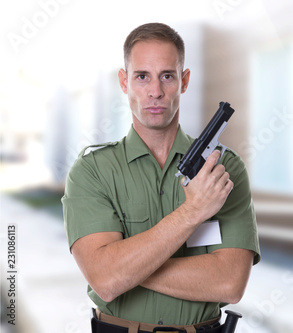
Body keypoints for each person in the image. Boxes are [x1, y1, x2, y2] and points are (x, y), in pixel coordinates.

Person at [62, 22, 260, 332]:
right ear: (124, 82)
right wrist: (192, 213)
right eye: (142, 77)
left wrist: (126, 267)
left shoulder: (224, 169)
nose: (155, 91)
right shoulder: (92, 170)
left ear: (184, 81)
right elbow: (104, 280)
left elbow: (230, 283)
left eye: (167, 76)